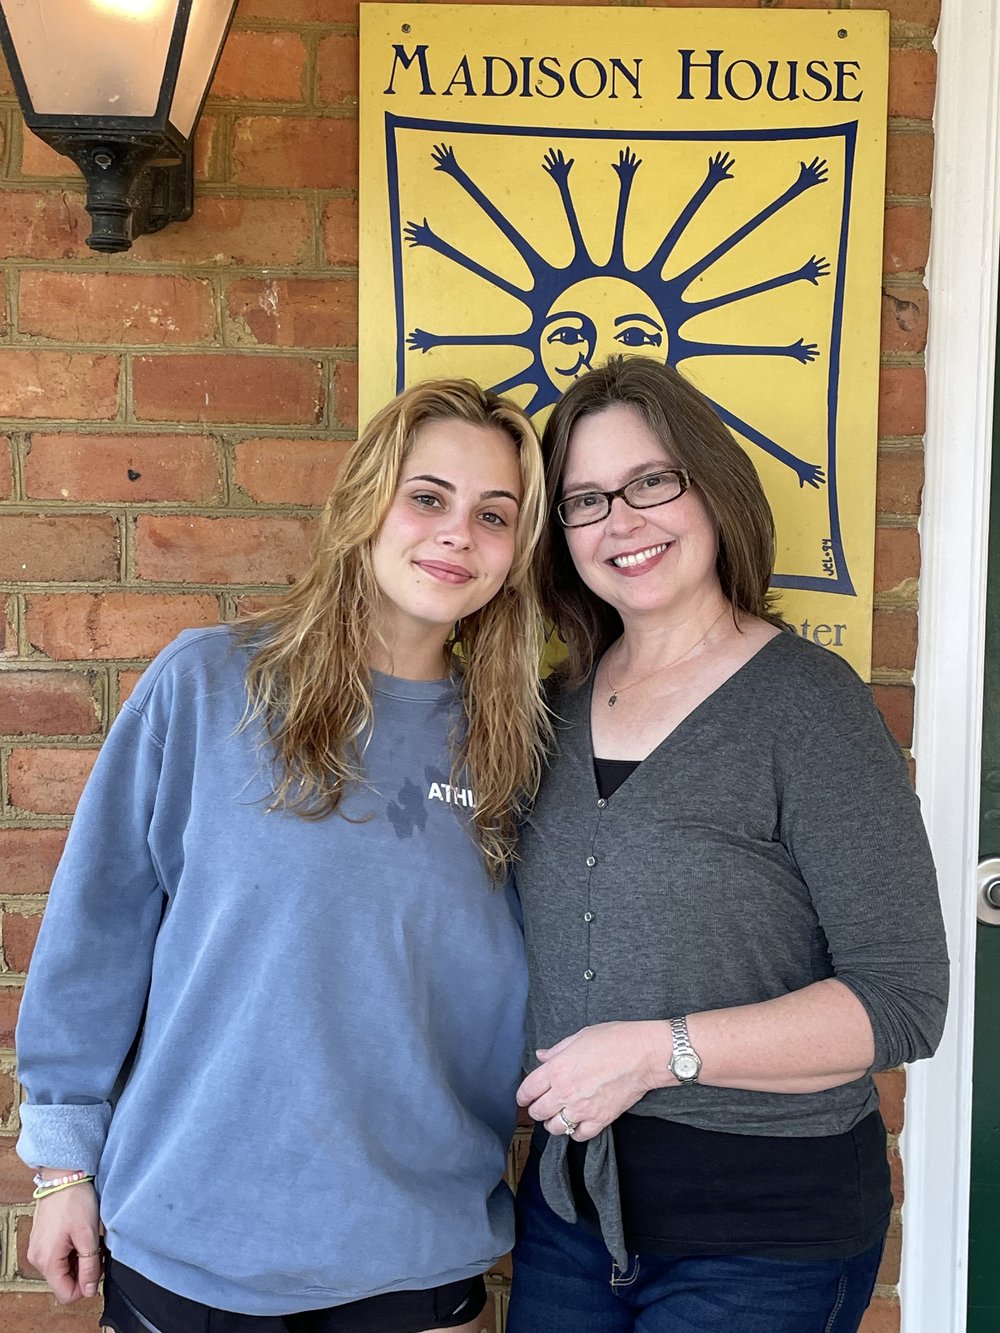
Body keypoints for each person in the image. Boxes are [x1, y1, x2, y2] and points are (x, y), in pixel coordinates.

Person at [15, 378, 551, 1333]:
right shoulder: (210, 683)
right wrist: (62, 1162)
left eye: (493, 514)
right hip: (190, 1239)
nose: (457, 533)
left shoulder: (516, 746)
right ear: (365, 504)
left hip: (413, 1253)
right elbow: (97, 930)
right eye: (427, 496)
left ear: (517, 553)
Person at [506, 356, 949, 1333]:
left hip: (764, 1239)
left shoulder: (808, 707)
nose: (620, 520)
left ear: (712, 487)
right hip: (569, 1221)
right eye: (585, 499)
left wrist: (654, 1052)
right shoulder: (547, 712)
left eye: (650, 481)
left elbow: (902, 1002)